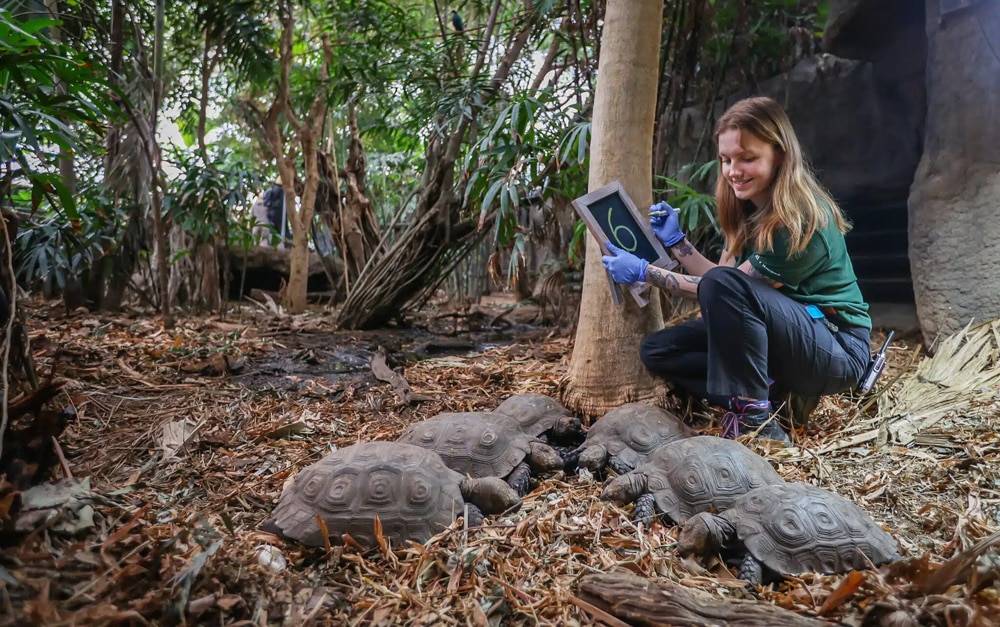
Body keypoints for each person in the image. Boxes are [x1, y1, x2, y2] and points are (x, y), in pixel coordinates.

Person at [601, 96, 871, 447]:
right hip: (787, 337)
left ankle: (758, 424)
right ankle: (772, 394)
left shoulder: (799, 218)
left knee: (724, 290)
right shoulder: (750, 209)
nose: (733, 171)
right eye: (726, 160)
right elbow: (720, 280)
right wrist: (678, 242)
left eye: (748, 158)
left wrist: (644, 272)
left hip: (836, 346)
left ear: (780, 155)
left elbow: (724, 287)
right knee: (659, 350)